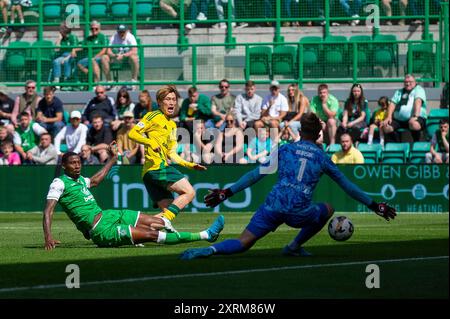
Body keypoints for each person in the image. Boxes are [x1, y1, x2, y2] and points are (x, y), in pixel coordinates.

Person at [180, 113, 396, 260]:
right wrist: (374, 205)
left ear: (300, 131)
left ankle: (208, 249)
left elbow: (256, 174)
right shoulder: (322, 157)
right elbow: (348, 186)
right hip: (298, 211)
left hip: (273, 205)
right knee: (328, 208)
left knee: (243, 242)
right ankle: (293, 247)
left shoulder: (284, 149)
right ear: (319, 134)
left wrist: (227, 192)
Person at [43, 146, 224, 250]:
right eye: (72, 163)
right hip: (100, 230)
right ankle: (205, 235)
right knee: (154, 235)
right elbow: (48, 211)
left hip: (109, 215)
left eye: (78, 162)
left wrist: (113, 159)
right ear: (64, 166)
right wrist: (48, 237)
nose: (77, 166)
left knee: (159, 222)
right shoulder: (59, 183)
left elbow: (96, 180)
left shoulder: (81, 180)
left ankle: (142, 237)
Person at [128, 85, 207, 222]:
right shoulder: (152, 116)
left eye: (174, 99)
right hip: (157, 168)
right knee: (189, 192)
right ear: (159, 102)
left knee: (167, 212)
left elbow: (172, 153)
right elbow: (133, 133)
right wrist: (150, 142)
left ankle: (133, 229)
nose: (171, 102)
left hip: (151, 173)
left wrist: (189, 165)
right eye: (168, 99)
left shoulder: (172, 125)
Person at [382, 74, 427, 143]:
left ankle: (417, 144)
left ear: (415, 82)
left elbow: (418, 102)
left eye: (410, 82)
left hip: (415, 117)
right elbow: (392, 104)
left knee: (414, 124)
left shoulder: (419, 90)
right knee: (386, 127)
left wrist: (415, 116)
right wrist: (389, 117)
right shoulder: (399, 92)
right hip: (399, 120)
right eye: (406, 82)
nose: (408, 83)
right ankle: (395, 146)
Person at [102, 25, 139, 91]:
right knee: (104, 57)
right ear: (117, 32)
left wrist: (124, 55)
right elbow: (108, 50)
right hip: (116, 58)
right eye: (120, 32)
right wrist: (114, 55)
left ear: (126, 31)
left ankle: (134, 81)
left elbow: (134, 50)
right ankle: (110, 82)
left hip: (127, 59)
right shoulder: (114, 37)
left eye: (123, 32)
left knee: (134, 58)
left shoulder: (130, 37)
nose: (121, 34)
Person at [53, 22, 79, 88]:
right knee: (56, 61)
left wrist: (66, 58)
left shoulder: (73, 37)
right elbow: (56, 49)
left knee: (67, 61)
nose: (59, 30)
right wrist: (59, 39)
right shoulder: (61, 38)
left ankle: (66, 80)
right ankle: (56, 82)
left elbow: (74, 51)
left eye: (61, 28)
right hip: (62, 56)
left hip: (71, 57)